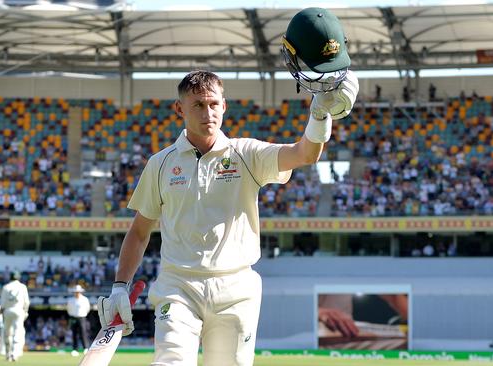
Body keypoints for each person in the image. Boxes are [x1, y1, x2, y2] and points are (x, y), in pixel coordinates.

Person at [98, 53, 357, 366]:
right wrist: (119, 288)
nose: (208, 112)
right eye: (198, 105)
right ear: (179, 109)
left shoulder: (247, 153)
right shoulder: (160, 164)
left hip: (236, 289)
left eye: (213, 104)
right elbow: (139, 233)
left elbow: (304, 154)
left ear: (224, 105)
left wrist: (318, 116)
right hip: (178, 285)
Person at [0, 271, 30, 362]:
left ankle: (8, 353)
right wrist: (25, 311)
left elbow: (2, 303)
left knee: (7, 332)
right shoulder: (22, 287)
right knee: (18, 332)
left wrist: (0, 313)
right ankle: (15, 353)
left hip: (8, 310)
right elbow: (26, 302)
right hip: (18, 310)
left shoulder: (6, 287)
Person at [67, 285, 90, 357]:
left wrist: (83, 315)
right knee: (74, 334)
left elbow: (87, 308)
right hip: (73, 318)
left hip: (82, 318)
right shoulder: (71, 300)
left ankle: (85, 348)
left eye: (78, 292)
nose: (77, 293)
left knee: (83, 333)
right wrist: (72, 315)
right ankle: (75, 349)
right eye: (76, 292)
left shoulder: (85, 299)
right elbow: (69, 309)